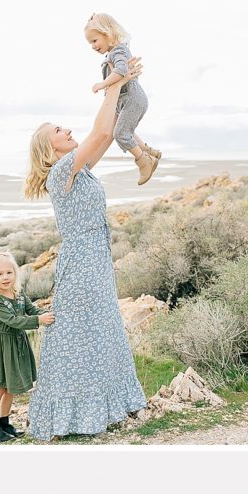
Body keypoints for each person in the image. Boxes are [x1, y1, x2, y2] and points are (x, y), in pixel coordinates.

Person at [24, 64, 148, 442]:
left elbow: (109, 135)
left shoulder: (78, 167)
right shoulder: (61, 172)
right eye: (59, 131)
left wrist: (124, 88)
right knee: (78, 336)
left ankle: (105, 406)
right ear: (50, 147)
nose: (68, 131)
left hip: (94, 259)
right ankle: (70, 414)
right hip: (81, 264)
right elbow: (103, 131)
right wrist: (113, 84)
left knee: (101, 332)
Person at [0, 252, 54, 442]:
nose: (5, 277)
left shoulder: (18, 294)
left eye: (9, 272)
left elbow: (32, 310)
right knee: (0, 388)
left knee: (11, 388)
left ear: (15, 274)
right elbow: (12, 320)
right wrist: (38, 320)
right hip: (2, 347)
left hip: (16, 345)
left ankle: (5, 423)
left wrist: (47, 314)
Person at [85, 11, 161, 186]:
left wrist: (102, 84)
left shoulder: (118, 50)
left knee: (120, 134)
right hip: (125, 100)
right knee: (125, 129)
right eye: (90, 43)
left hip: (132, 99)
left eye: (94, 41)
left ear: (108, 34)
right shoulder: (114, 51)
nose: (93, 46)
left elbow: (121, 71)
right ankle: (149, 152)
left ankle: (144, 161)